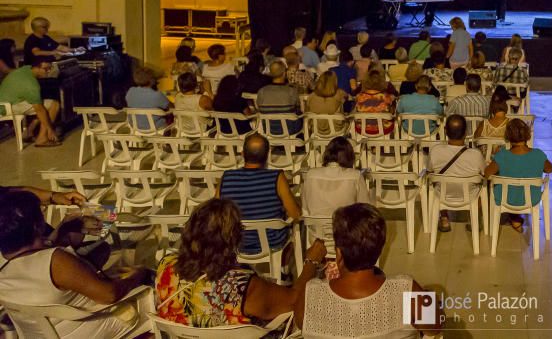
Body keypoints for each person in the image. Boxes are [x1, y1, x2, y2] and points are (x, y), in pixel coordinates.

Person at [156, 198, 326, 330]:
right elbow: (295, 300)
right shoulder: (239, 285)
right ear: (233, 239)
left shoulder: (167, 266)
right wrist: (311, 261)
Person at [0, 191, 151, 338]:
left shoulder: (5, 265)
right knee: (152, 292)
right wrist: (138, 275)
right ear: (36, 226)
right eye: (41, 213)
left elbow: (32, 259)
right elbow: (109, 295)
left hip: (43, 334)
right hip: (93, 330)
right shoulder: (55, 261)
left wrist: (63, 230)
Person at [295, 203, 440, 338]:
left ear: (339, 253)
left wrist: (310, 263)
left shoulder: (311, 297)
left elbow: (298, 309)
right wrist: (428, 300)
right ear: (379, 249)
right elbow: (436, 327)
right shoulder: (406, 291)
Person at [218, 134, 301, 254]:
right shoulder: (276, 177)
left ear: (242, 154)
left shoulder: (227, 177)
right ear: (267, 156)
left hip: (235, 242)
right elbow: (295, 213)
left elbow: (216, 213)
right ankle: (285, 267)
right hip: (272, 242)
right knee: (298, 226)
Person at [484, 118, 552, 233]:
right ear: (527, 135)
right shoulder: (538, 154)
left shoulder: (501, 156)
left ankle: (512, 217)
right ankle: (514, 218)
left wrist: (494, 159)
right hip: (532, 199)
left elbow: (486, 174)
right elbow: (549, 169)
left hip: (505, 199)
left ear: (507, 137)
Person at [301, 138, 370, 240]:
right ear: (349, 156)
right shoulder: (355, 176)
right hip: (347, 235)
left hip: (317, 235)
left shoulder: (310, 174)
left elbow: (305, 208)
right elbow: (365, 208)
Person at [429, 115, 487, 232]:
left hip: (443, 194)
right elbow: (484, 173)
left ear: (445, 131)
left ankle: (444, 218)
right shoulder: (476, 154)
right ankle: (473, 217)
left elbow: (430, 171)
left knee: (435, 182)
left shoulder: (435, 151)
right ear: (466, 133)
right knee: (483, 185)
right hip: (470, 195)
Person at [0, 58, 61, 146]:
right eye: (46, 69)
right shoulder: (32, 86)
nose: (48, 72)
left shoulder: (26, 69)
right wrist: (50, 129)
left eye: (50, 68)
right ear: (37, 67)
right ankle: (42, 139)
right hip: (5, 107)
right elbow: (40, 110)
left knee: (38, 103)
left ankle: (28, 132)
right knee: (53, 104)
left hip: (4, 101)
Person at [125, 66, 171, 132]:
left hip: (135, 126)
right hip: (156, 128)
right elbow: (170, 107)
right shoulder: (157, 95)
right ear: (152, 80)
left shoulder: (130, 91)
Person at [354, 70, 396, 136]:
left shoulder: (359, 96)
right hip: (383, 128)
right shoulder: (386, 96)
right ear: (381, 82)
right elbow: (392, 111)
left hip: (362, 128)